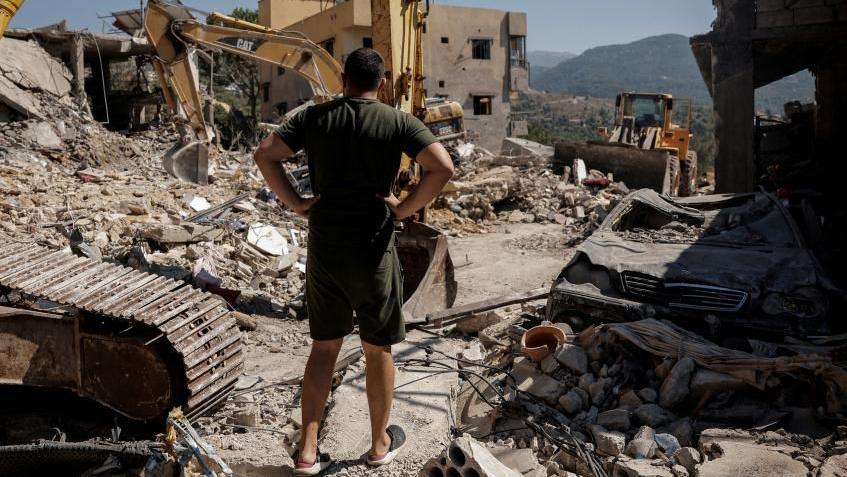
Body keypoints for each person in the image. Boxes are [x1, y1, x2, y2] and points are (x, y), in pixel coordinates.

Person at [253, 47, 454, 475]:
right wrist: (402, 209)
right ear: (382, 82)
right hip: (374, 247)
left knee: (324, 348)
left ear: (342, 77)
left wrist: (297, 202)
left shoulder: (314, 117)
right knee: (377, 347)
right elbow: (442, 167)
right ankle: (379, 444)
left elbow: (265, 154)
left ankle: (307, 451)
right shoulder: (398, 121)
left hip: (326, 246)